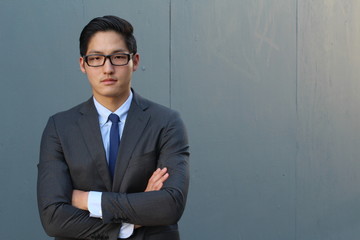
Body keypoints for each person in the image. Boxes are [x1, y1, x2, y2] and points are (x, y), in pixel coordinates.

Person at [37, 15, 189, 240]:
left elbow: (170, 205)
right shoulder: (60, 127)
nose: (107, 69)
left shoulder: (166, 123)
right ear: (83, 65)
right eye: (96, 58)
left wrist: (87, 199)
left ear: (134, 61)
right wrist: (132, 222)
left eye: (117, 57)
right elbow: (53, 218)